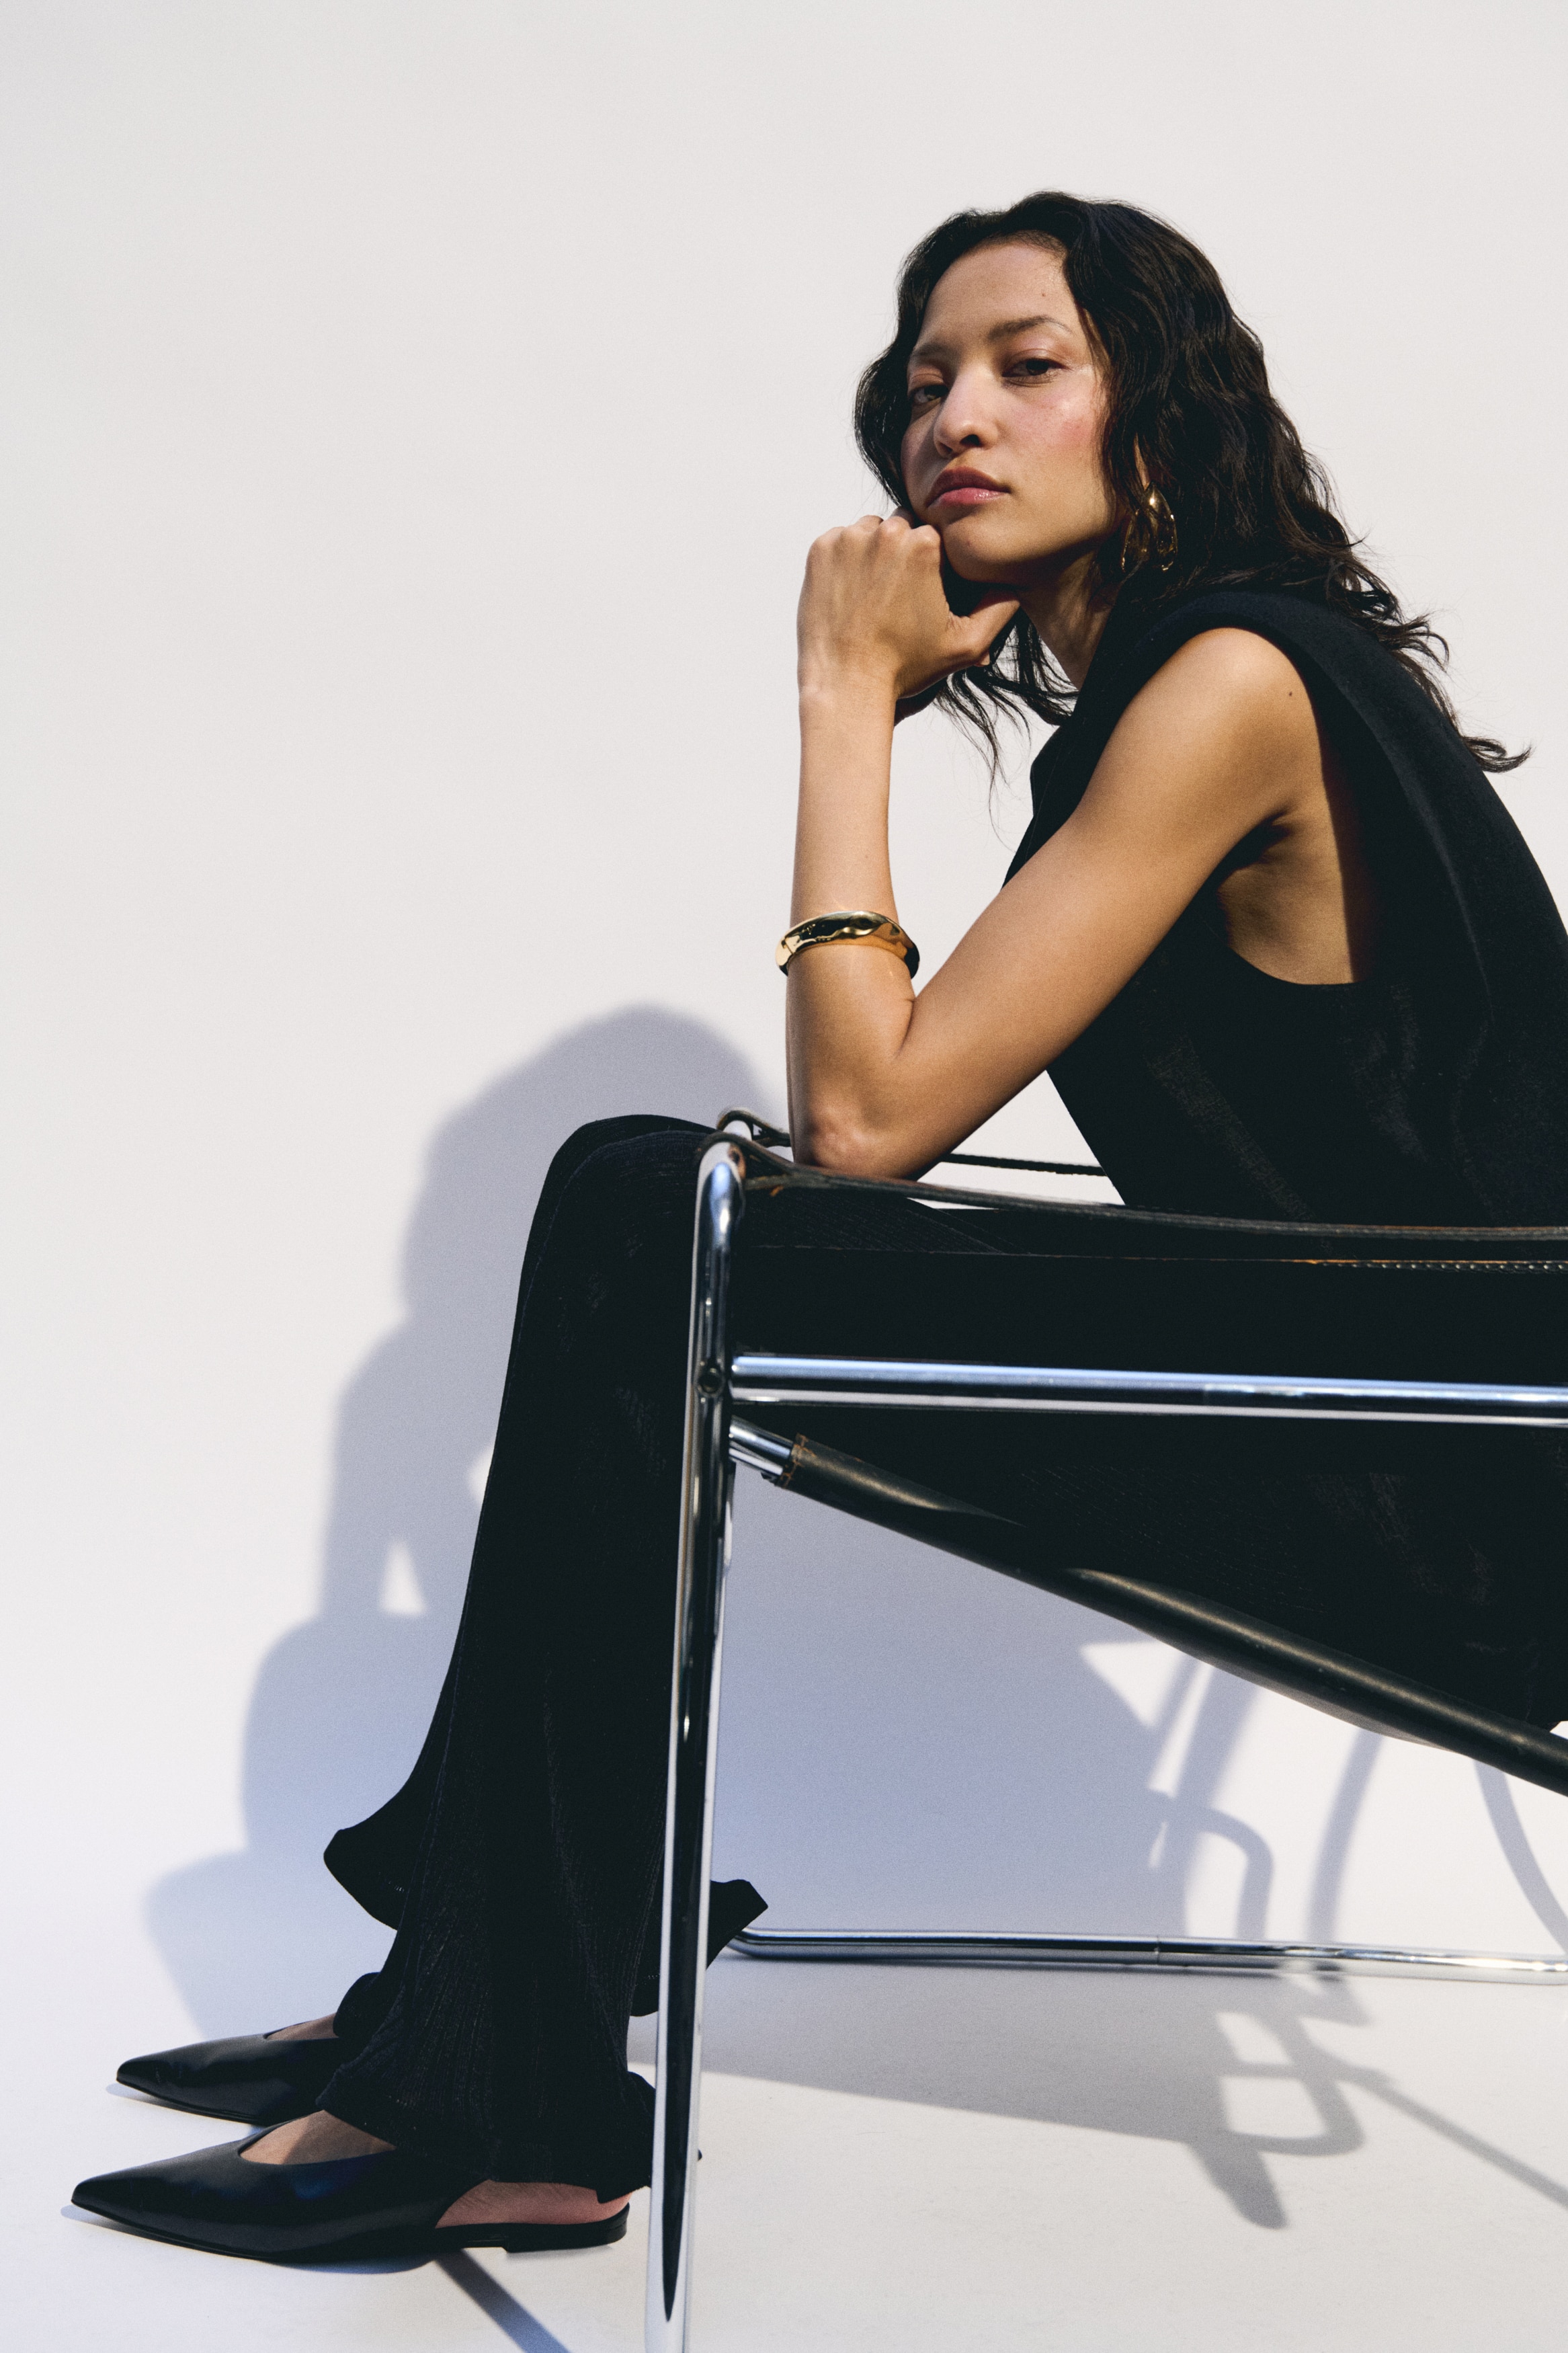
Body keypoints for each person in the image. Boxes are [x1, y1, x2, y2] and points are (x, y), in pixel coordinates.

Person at [73, 190, 1568, 2263]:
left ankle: (490, 2053)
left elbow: (866, 1117)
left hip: (1454, 1495)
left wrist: (842, 696)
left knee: (652, 1202)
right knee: (650, 1194)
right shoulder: (1192, 686)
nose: (957, 417)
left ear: (1166, 412)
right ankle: (484, 1990)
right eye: (928, 379)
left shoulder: (1230, 681)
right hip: (1360, 1408)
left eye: (1030, 364)